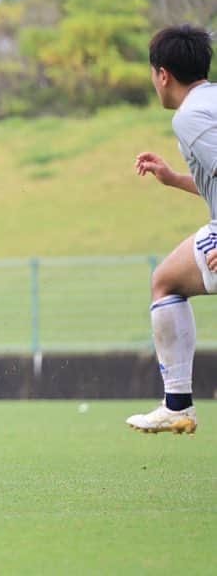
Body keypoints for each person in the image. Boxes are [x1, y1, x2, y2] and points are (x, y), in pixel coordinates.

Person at [131, 24, 215, 434]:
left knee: (164, 282)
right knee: (165, 279)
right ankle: (177, 405)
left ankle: (178, 405)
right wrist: (175, 177)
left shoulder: (190, 117)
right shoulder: (211, 101)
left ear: (163, 74)